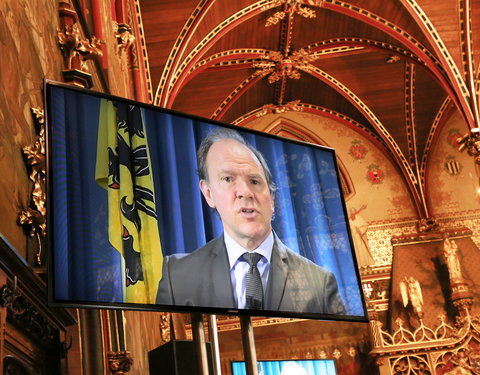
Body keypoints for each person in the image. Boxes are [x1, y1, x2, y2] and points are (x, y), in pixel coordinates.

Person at [155, 128, 346, 314]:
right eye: (228, 179)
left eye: (254, 181)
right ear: (208, 193)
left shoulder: (320, 284)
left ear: (272, 198)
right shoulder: (177, 276)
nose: (245, 192)